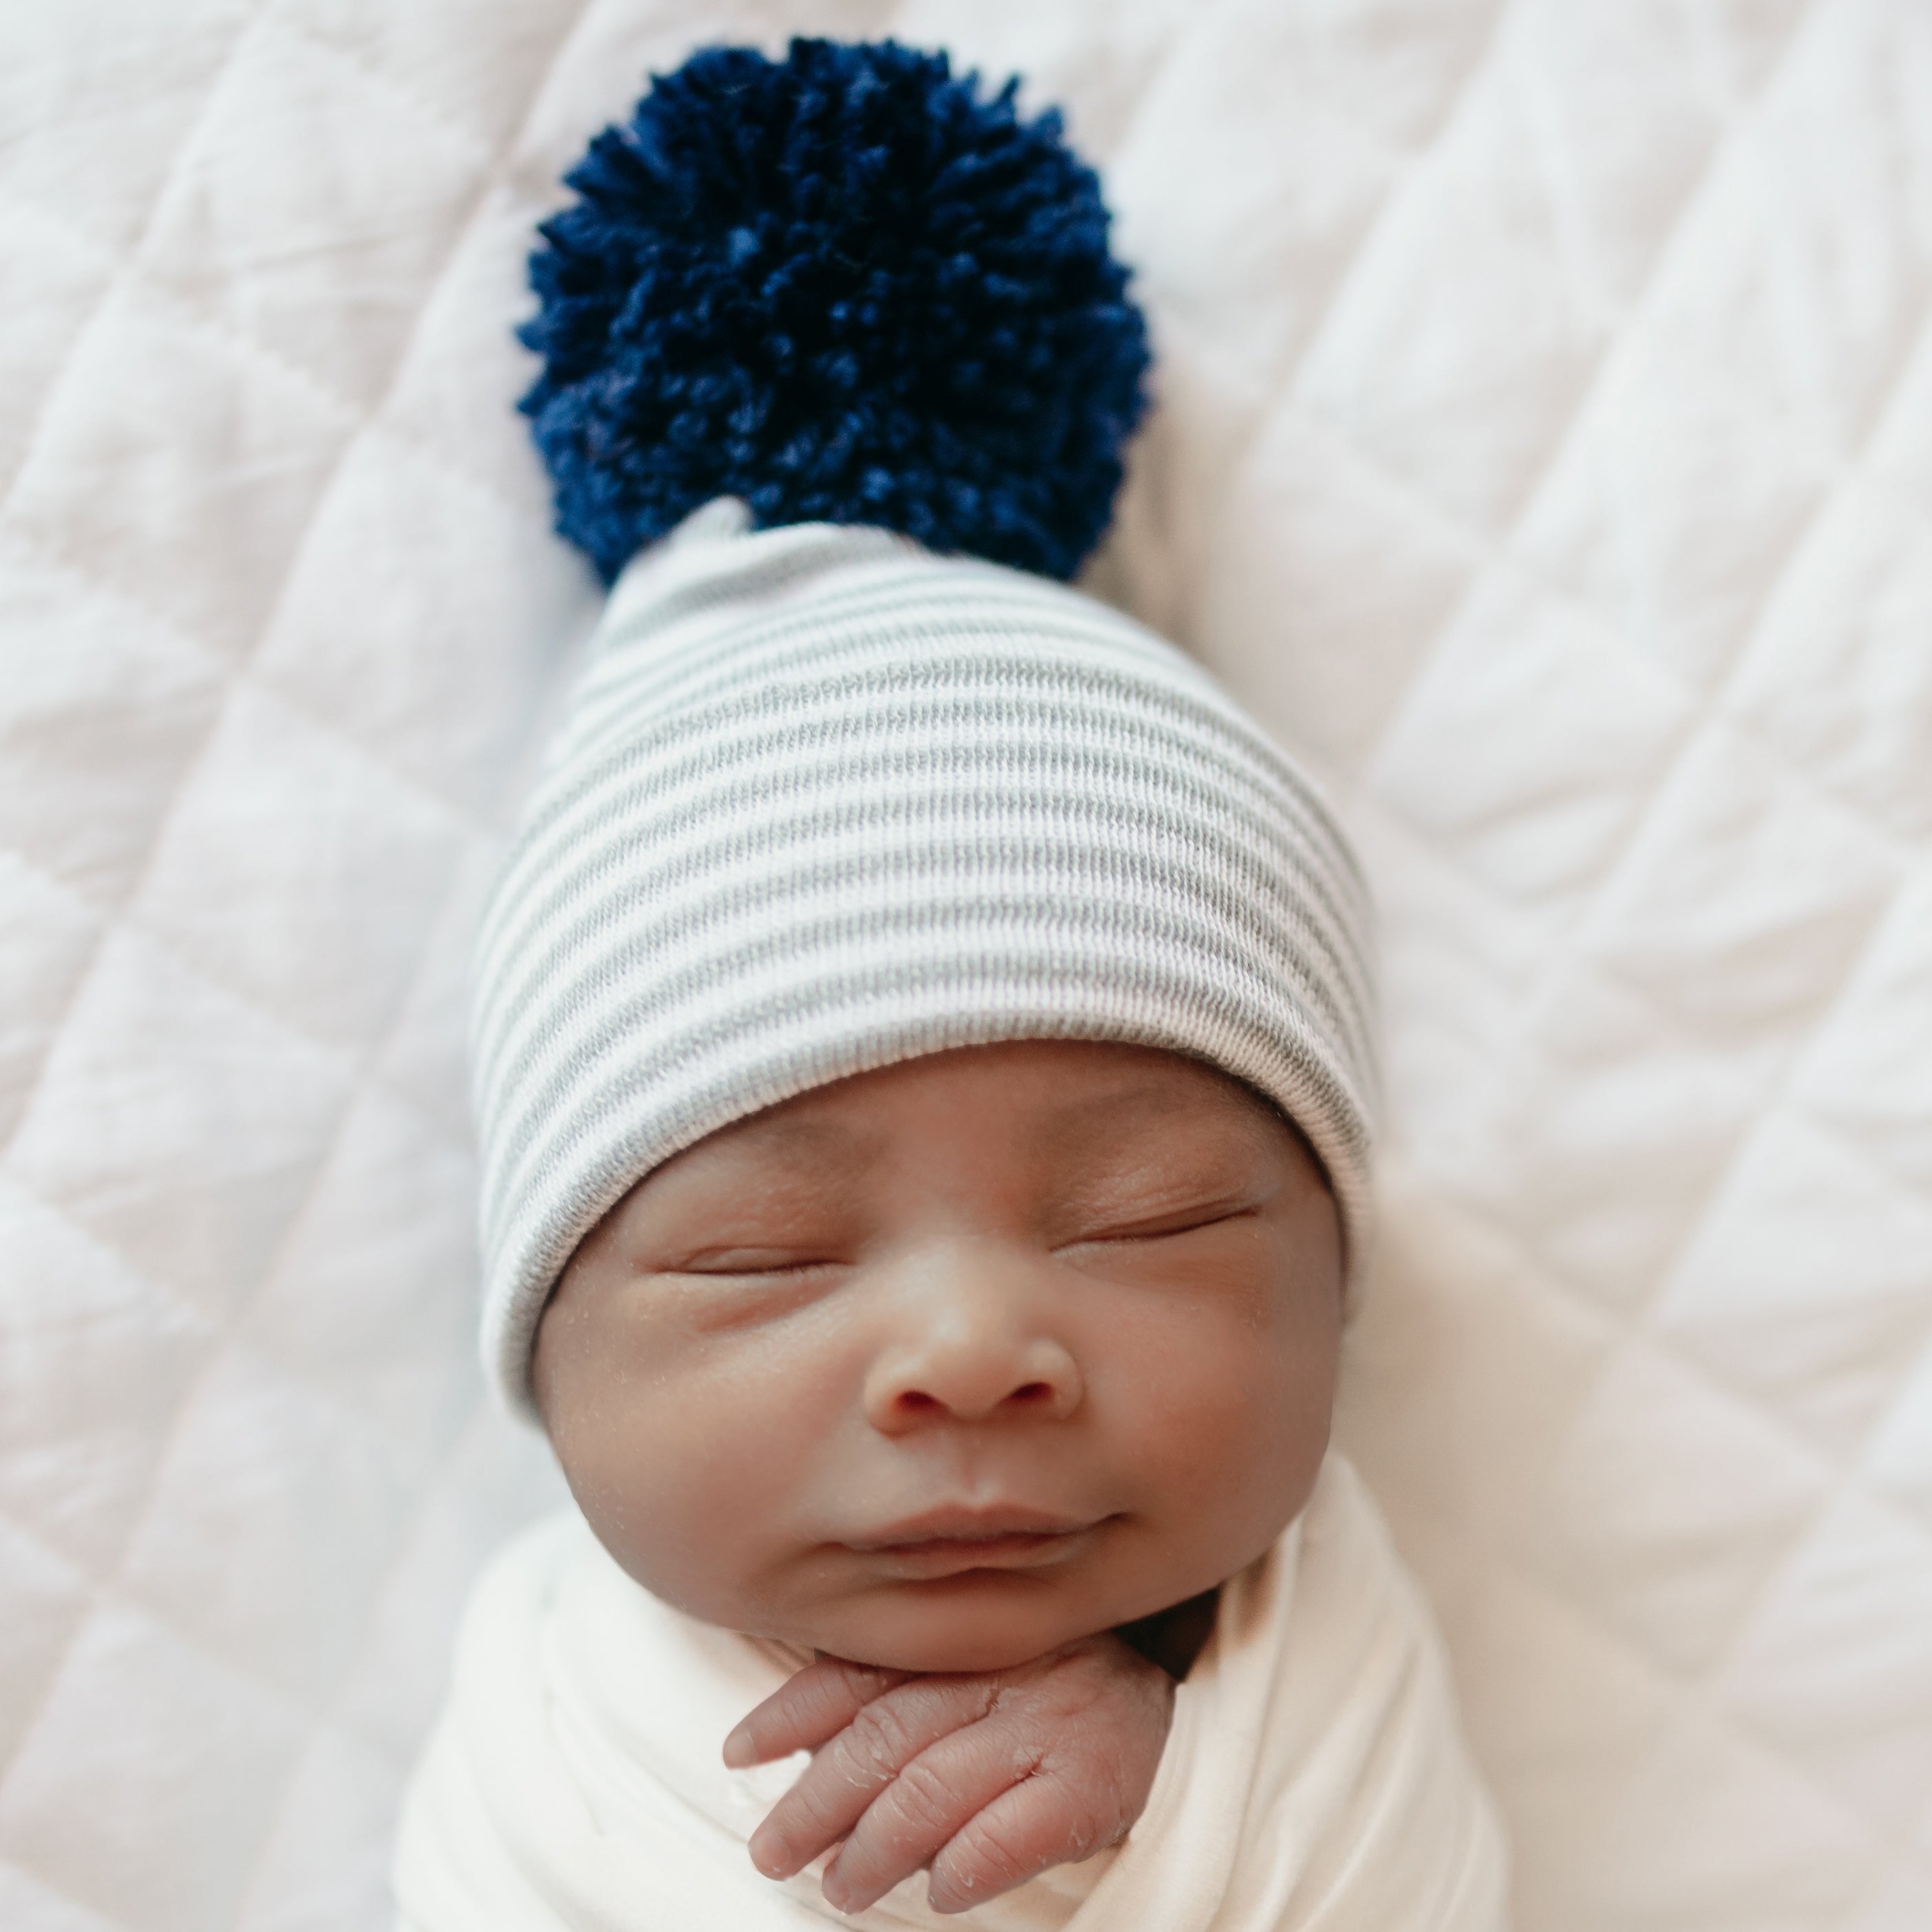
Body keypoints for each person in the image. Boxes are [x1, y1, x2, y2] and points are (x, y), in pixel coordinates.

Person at [393, 39, 1506, 1931]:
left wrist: (1173, 1775)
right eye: (764, 1253)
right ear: (546, 1347)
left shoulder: (1314, 1660)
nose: (976, 1348)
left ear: (1337, 1276)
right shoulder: (554, 1738)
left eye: (1153, 1220)